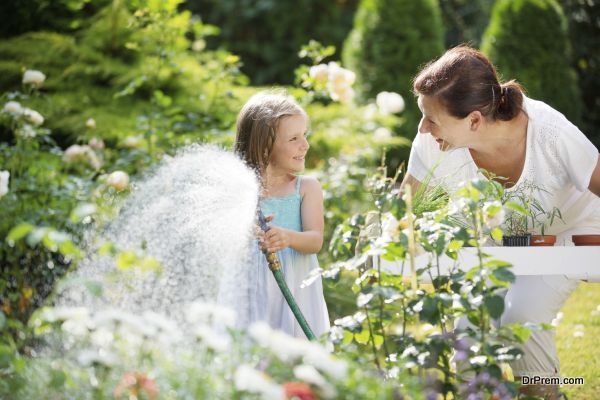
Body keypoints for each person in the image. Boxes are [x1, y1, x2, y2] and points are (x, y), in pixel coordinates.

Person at [401, 45, 600, 398]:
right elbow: (405, 207)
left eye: (432, 118)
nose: (422, 127)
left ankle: (545, 393)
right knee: (465, 336)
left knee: (521, 316)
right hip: (498, 241)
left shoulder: (550, 131)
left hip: (568, 234)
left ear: (474, 120)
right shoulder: (432, 140)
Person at [234, 90, 330, 339]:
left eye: (304, 135)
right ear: (264, 146)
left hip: (296, 291)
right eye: (293, 138)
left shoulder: (306, 188)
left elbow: (315, 240)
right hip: (253, 292)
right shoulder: (242, 193)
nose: (305, 145)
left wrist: (287, 237)